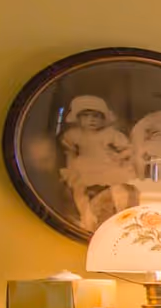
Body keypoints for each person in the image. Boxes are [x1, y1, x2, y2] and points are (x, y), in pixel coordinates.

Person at [57, 95, 138, 230]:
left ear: (104, 118)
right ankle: (85, 216)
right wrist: (71, 169)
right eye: (86, 116)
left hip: (107, 164)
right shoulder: (73, 135)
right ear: (78, 118)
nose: (91, 120)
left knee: (118, 188)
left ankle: (121, 214)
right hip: (84, 165)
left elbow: (129, 149)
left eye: (96, 116)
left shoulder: (110, 134)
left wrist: (119, 157)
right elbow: (70, 153)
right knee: (79, 189)